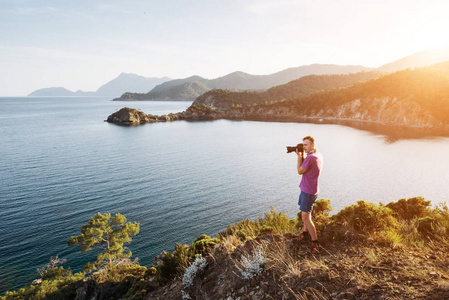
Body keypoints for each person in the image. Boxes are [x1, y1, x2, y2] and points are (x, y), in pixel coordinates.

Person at [295, 136, 323, 254]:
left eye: (306, 145)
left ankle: (315, 243)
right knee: (305, 215)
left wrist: (299, 157)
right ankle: (305, 234)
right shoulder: (317, 155)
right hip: (310, 189)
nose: (304, 147)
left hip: (308, 191)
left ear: (312, 145)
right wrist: (302, 156)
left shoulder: (310, 158)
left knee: (306, 217)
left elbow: (300, 171)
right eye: (303, 144)